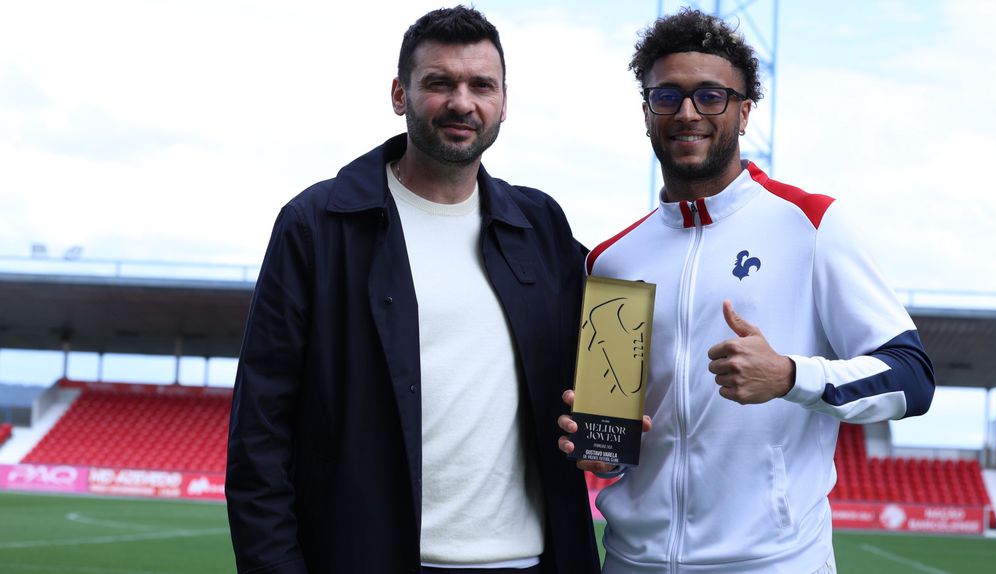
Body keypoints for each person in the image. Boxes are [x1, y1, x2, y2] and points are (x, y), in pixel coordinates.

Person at [558, 8, 935, 574]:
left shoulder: (811, 225)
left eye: (711, 96)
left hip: (773, 562)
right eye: (668, 96)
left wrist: (789, 375)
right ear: (646, 112)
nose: (688, 112)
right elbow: (610, 451)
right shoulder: (612, 260)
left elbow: (912, 376)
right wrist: (595, 448)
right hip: (632, 561)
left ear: (744, 109)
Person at [226, 6, 599, 574]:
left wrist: (609, 427)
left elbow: (599, 359)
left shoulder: (541, 226)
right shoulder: (318, 224)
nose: (461, 102)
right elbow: (260, 431)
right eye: (439, 83)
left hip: (528, 561)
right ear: (400, 94)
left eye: (481, 85)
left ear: (503, 102)